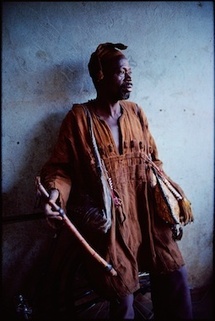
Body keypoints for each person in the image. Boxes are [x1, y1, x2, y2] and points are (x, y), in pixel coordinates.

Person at [39, 42, 194, 320]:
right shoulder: (79, 119)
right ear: (100, 76)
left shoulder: (136, 113)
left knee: (174, 272)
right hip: (113, 226)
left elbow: (154, 160)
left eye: (130, 71)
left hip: (147, 215)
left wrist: (167, 198)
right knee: (122, 297)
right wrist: (53, 195)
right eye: (121, 72)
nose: (129, 78)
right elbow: (61, 169)